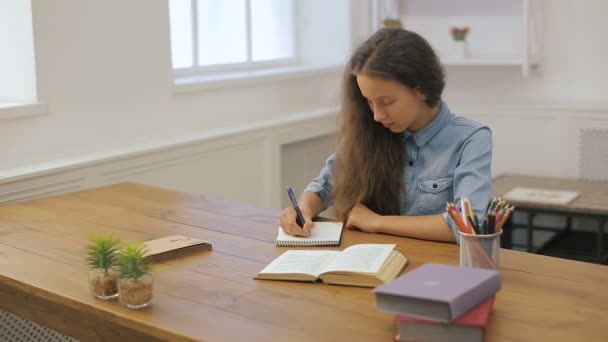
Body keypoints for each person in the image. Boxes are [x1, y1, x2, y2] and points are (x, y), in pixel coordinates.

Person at [279, 28, 492, 243]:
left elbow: (467, 226)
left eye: (386, 102)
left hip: (439, 269)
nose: (377, 115)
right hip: (371, 262)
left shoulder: (471, 139)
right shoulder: (369, 129)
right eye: (369, 101)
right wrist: (303, 210)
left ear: (422, 89)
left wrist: (377, 222)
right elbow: (325, 186)